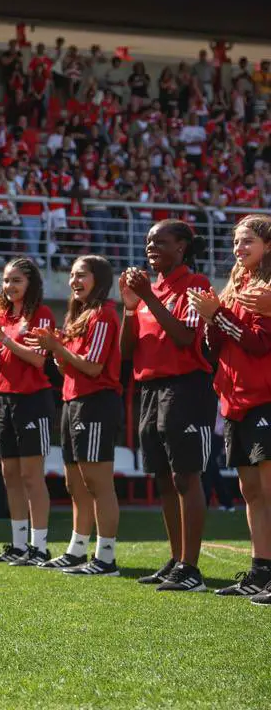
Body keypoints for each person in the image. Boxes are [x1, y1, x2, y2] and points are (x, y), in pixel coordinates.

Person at [119, 220, 214, 592]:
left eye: (160, 241)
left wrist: (149, 298)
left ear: (182, 247)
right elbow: (127, 352)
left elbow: (185, 336)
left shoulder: (196, 285)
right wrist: (130, 307)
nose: (151, 247)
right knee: (162, 478)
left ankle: (191, 568)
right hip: (150, 389)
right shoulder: (149, 290)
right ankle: (176, 560)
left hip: (186, 387)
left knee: (185, 476)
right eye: (148, 242)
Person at [188, 214, 271, 604]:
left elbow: (257, 343)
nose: (239, 248)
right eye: (236, 242)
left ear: (267, 245)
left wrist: (217, 315)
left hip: (264, 396)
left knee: (268, 489)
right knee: (250, 490)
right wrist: (210, 321)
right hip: (236, 399)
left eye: (248, 241)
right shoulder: (236, 283)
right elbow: (215, 346)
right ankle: (260, 571)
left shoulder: (265, 287)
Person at [31, 256, 123, 576]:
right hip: (73, 401)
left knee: (98, 482)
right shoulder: (80, 316)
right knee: (75, 483)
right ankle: (77, 550)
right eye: (71, 275)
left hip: (95, 402)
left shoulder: (103, 315)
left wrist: (57, 347)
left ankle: (106, 557)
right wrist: (55, 349)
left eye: (81, 274)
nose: (74, 280)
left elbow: (93, 366)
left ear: (99, 278)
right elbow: (67, 366)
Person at [0, 258, 55, 566]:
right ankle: (19, 544)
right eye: (6, 281)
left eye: (16, 281)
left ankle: (40, 546)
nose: (9, 287)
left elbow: (38, 360)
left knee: (31, 475)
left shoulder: (42, 314)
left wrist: (1, 337)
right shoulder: (1, 316)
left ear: (30, 283)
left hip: (33, 400)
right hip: (5, 401)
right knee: (9, 474)